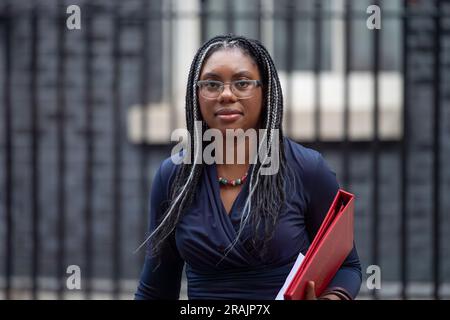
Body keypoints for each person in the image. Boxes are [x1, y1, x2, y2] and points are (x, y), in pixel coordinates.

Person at [134, 34, 362, 300]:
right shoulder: (173, 176)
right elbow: (155, 288)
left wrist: (332, 298)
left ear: (264, 92)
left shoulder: (307, 169)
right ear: (197, 94)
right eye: (211, 84)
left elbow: (347, 266)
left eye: (242, 83)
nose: (226, 94)